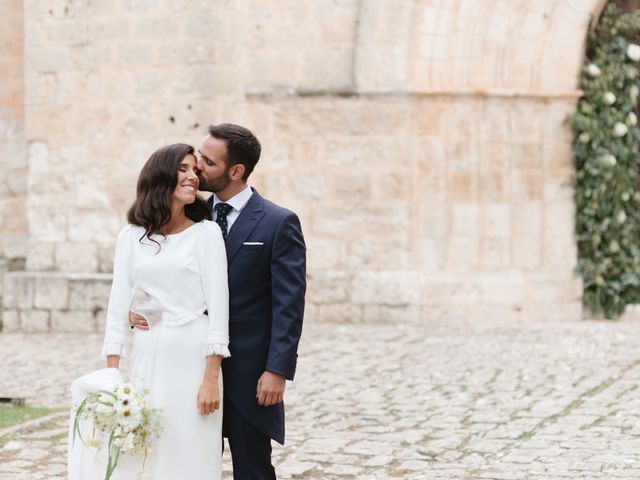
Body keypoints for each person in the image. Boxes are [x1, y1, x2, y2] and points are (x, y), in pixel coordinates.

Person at [132, 123, 306, 479]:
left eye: (207, 163)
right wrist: (141, 309)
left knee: (252, 467)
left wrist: (278, 370)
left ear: (236, 171)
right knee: (187, 460)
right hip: (190, 367)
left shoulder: (278, 223)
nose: (197, 169)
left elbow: (288, 305)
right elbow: (163, 273)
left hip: (249, 372)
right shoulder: (191, 215)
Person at [70, 143, 230, 480]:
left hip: (193, 358)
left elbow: (219, 310)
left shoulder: (207, 234)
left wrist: (210, 379)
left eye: (194, 170)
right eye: (183, 169)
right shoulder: (130, 237)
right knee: (145, 451)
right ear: (160, 177)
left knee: (192, 451)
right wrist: (113, 380)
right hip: (147, 355)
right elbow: (118, 306)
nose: (192, 176)